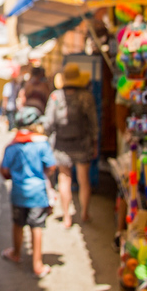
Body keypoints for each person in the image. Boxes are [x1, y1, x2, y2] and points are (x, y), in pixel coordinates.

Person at [0, 110, 56, 278]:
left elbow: (4, 169)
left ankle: (16, 253)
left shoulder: (12, 145)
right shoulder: (41, 144)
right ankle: (37, 264)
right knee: (36, 226)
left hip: (18, 192)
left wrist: (13, 176)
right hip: (38, 193)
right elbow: (51, 166)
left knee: (18, 223)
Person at [42, 63, 98, 228]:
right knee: (84, 180)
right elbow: (93, 123)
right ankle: (85, 213)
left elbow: (48, 123)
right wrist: (94, 142)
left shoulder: (55, 97)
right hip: (82, 143)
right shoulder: (86, 96)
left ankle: (67, 217)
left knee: (64, 179)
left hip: (61, 144)